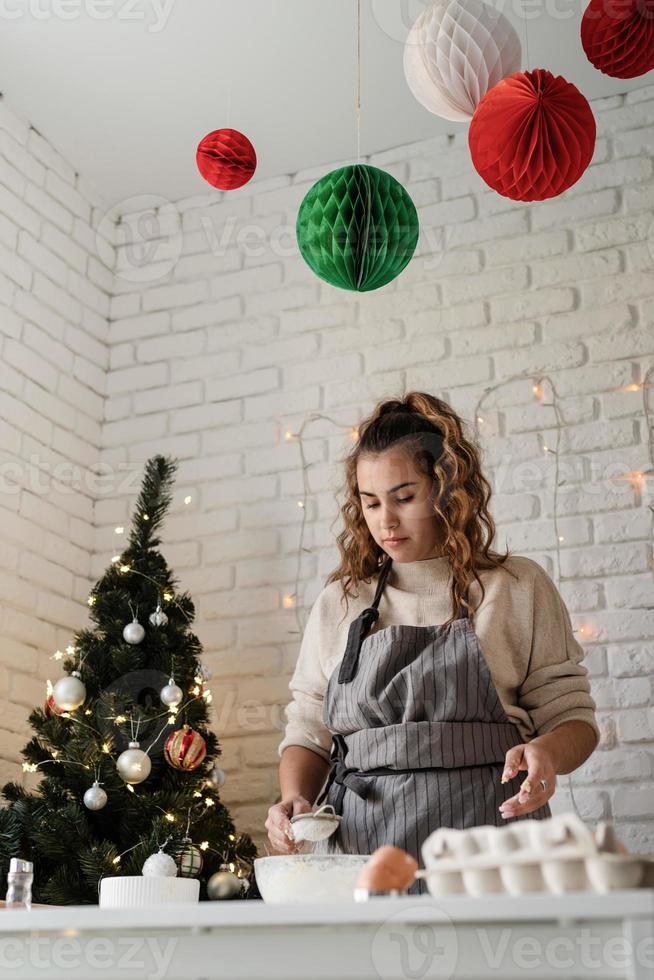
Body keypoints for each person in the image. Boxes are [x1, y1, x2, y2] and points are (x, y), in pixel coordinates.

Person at [266, 393, 599, 892]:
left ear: (446, 488)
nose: (386, 521)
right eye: (371, 502)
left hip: (492, 844)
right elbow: (310, 729)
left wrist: (547, 753)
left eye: (404, 497)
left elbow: (572, 717)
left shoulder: (516, 586)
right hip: (363, 849)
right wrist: (294, 797)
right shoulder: (342, 600)